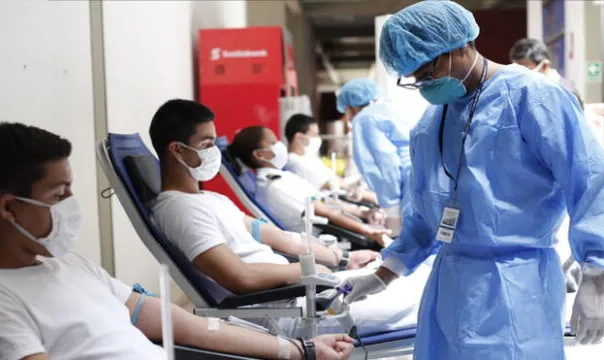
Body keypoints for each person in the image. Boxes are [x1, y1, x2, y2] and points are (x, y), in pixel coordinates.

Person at [340, 1, 604, 360]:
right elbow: (423, 219)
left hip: (515, 286)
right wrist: (383, 274)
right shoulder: (430, 124)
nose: (423, 83)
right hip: (448, 287)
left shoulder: (533, 97)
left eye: (428, 70)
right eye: (414, 77)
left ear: (461, 44)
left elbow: (590, 181)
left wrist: (596, 275)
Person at [0, 122, 355, 360]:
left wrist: (298, 350)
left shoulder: (69, 266)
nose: (71, 206)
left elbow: (183, 325)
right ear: (10, 209)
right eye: (58, 195)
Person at [149, 99, 433, 337]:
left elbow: (275, 236)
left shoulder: (211, 200)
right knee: (426, 296)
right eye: (207, 143)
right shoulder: (179, 209)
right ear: (177, 149)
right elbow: (240, 277)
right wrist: (307, 273)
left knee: (417, 275)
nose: (213, 153)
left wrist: (341, 260)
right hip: (287, 311)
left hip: (304, 294)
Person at [229, 125, 392, 247]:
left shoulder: (281, 176)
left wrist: (363, 213)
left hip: (335, 229)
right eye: (273, 142)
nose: (279, 145)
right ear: (259, 154)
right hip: (327, 239)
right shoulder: (273, 186)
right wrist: (366, 230)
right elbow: (324, 212)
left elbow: (323, 202)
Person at [336, 78, 422, 234]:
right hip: (422, 177)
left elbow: (385, 166)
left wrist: (391, 208)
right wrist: (362, 184)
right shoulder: (388, 108)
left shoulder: (363, 119)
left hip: (409, 186)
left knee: (409, 244)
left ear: (351, 107)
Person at [284, 113, 377, 204]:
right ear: (299, 137)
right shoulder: (295, 164)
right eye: (314, 135)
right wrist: (374, 198)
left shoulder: (308, 158)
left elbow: (336, 179)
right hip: (333, 204)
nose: (318, 138)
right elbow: (331, 185)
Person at [510, 37, 584, 109]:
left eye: (526, 70)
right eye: (518, 70)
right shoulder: (525, 90)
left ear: (545, 66)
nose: (521, 75)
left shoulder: (565, 92)